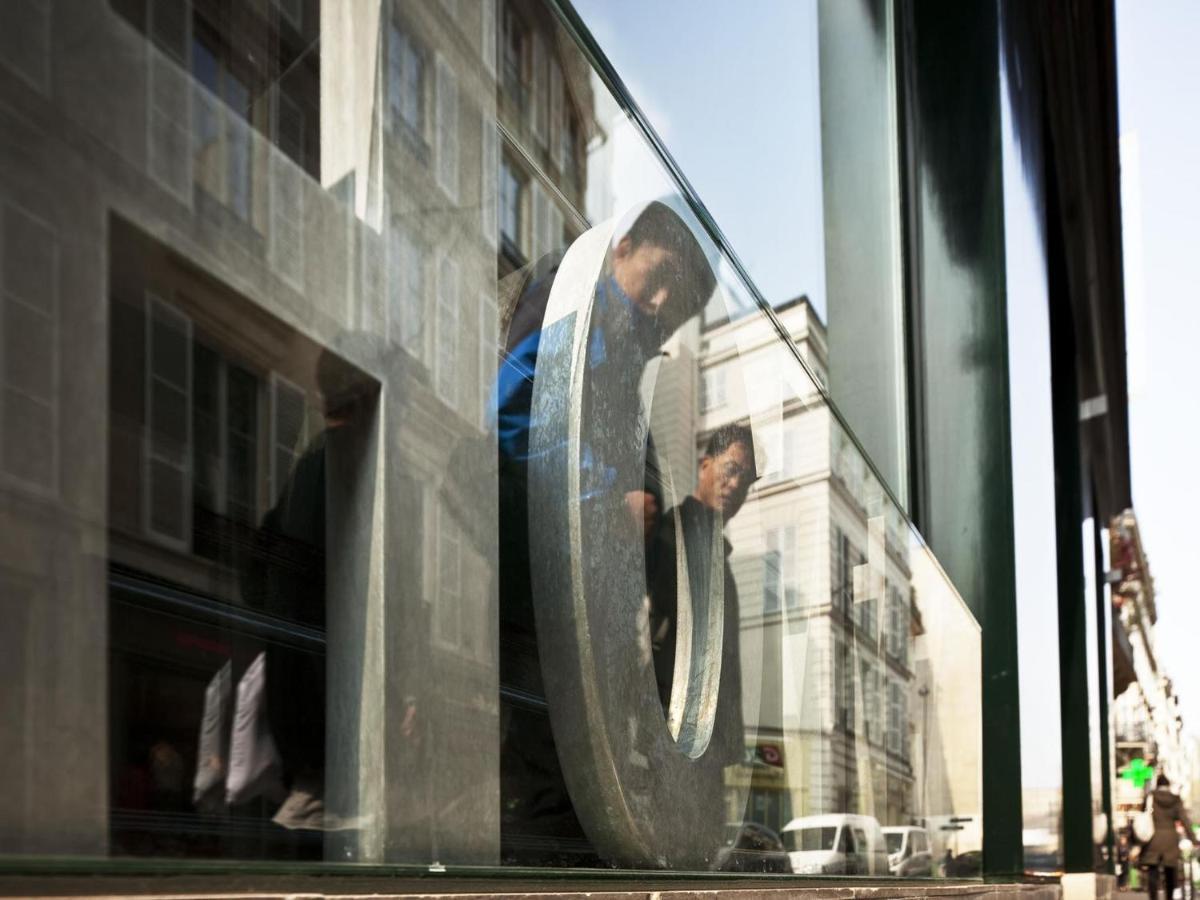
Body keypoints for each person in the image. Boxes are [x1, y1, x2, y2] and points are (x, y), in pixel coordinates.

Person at [496, 200, 718, 865]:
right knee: (553, 780)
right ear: (621, 246)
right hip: (543, 594)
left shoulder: (621, 342)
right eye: (657, 279)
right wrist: (606, 502)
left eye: (671, 302)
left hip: (586, 604)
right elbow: (511, 427)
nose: (656, 304)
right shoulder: (568, 308)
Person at [645, 423, 757, 766]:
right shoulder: (668, 538)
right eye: (731, 469)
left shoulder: (718, 563)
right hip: (668, 753)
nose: (737, 484)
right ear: (705, 466)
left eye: (747, 480)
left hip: (700, 760)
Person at [1143, 774, 1194, 900]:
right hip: (1170, 839)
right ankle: (1169, 897)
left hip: (1153, 837)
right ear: (1168, 785)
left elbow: (1142, 815)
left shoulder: (1151, 797)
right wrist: (1193, 838)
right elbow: (1184, 820)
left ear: (1158, 784)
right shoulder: (1175, 799)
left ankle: (1153, 897)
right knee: (1170, 871)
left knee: (1153, 870)